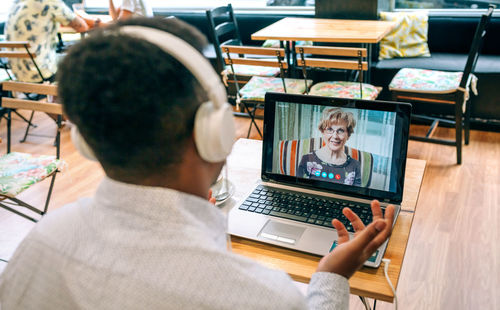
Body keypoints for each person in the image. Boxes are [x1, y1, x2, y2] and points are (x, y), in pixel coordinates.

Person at [0, 17, 394, 309]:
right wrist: (331, 276)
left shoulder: (42, 240)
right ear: (215, 131)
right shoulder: (263, 297)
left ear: (86, 139)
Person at [5, 0, 98, 83]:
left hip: (16, 72)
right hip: (39, 72)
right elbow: (82, 26)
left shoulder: (16, 2)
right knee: (80, 58)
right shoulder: (49, 2)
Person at [298, 107, 362, 186]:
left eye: (341, 130)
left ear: (348, 135)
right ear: (322, 132)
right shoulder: (306, 160)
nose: (335, 136)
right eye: (330, 129)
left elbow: (355, 196)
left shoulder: (355, 166)